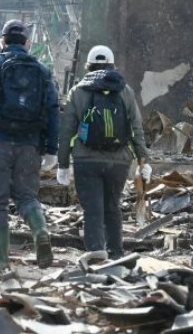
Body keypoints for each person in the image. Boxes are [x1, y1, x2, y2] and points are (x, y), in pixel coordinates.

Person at [0, 19, 59, 272]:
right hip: (30, 144)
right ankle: (40, 230)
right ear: (28, 43)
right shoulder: (42, 70)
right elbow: (53, 109)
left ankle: (0, 261)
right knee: (27, 197)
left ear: (3, 41)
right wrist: (52, 148)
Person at [57, 45, 149, 261]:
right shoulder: (125, 91)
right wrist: (143, 160)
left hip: (86, 160)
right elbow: (136, 127)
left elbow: (67, 130)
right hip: (119, 161)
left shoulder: (78, 91)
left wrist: (62, 163)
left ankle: (96, 251)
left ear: (88, 66)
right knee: (112, 207)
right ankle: (117, 253)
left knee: (93, 209)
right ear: (112, 65)